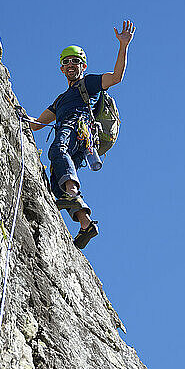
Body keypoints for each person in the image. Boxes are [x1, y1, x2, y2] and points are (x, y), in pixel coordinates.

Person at [28, 20, 136, 249]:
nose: (70, 65)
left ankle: (72, 191)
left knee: (57, 150)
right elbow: (36, 124)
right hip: (74, 137)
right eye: (66, 62)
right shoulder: (60, 100)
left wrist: (123, 45)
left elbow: (116, 77)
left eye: (75, 62)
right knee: (57, 184)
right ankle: (86, 224)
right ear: (61, 68)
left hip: (79, 128)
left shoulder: (90, 83)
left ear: (83, 65)